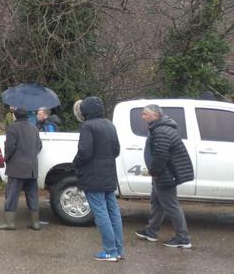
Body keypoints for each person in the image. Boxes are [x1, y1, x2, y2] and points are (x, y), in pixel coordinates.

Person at [73, 97, 125, 261]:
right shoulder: (110, 125)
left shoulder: (87, 126)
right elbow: (116, 150)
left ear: (86, 111)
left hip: (93, 176)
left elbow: (84, 152)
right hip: (109, 175)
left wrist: (75, 163)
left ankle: (109, 251)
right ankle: (118, 250)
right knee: (113, 212)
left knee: (101, 212)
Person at [136, 104, 194, 249]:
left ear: (155, 115)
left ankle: (183, 238)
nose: (143, 117)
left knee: (171, 205)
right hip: (162, 173)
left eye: (145, 114)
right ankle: (151, 231)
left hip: (164, 174)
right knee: (157, 202)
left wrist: (154, 172)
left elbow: (161, 155)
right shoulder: (160, 128)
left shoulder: (161, 130)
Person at [0, 107, 42, 230]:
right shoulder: (34, 128)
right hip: (32, 168)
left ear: (15, 116)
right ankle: (35, 223)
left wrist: (6, 158)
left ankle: (9, 223)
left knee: (12, 195)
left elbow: (10, 147)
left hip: (17, 168)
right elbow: (39, 146)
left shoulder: (13, 128)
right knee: (32, 195)